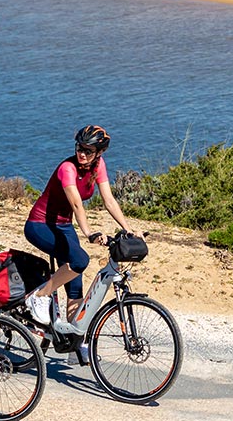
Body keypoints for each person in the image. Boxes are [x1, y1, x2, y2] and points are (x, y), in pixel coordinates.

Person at [22, 125, 143, 340]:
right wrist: (88, 233)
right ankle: (39, 296)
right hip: (39, 225)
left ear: (99, 153)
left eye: (88, 151)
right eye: (80, 148)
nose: (82, 154)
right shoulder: (67, 168)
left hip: (63, 226)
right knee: (80, 260)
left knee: (76, 284)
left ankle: (73, 340)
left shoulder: (98, 166)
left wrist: (128, 229)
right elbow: (77, 205)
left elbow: (109, 200)